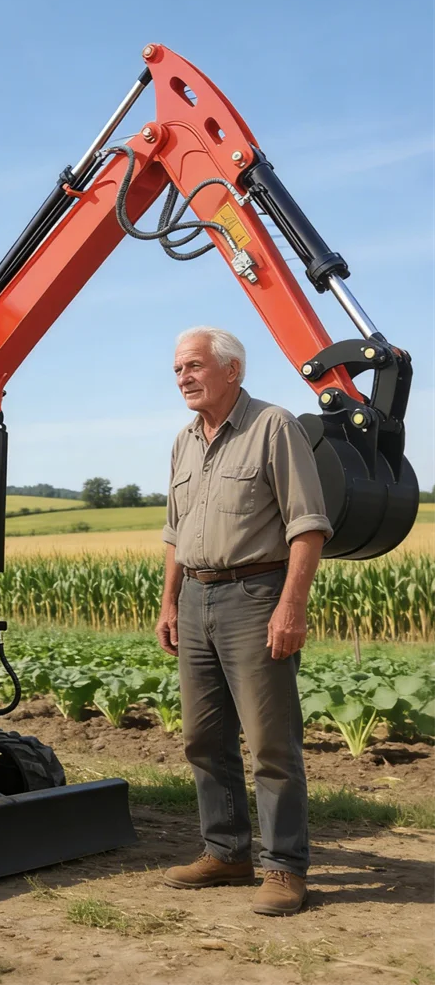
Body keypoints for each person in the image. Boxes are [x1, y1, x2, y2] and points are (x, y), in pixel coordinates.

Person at [156, 326, 331, 916]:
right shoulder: (182, 441)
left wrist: (292, 604)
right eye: (178, 369)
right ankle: (227, 852)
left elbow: (307, 525)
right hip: (196, 599)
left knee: (270, 743)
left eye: (194, 365)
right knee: (203, 737)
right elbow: (176, 534)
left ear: (231, 369)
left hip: (257, 596)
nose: (183, 377)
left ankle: (285, 868)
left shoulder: (273, 426)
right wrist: (168, 602)